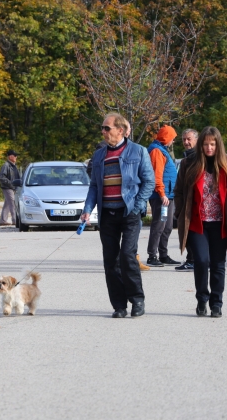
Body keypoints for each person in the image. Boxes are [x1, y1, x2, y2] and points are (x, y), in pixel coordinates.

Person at [81, 112, 155, 318]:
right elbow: (94, 186)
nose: (103, 131)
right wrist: (87, 209)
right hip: (107, 215)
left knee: (127, 256)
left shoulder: (138, 152)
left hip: (129, 213)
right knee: (110, 260)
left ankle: (137, 300)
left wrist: (138, 205)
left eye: (107, 128)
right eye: (103, 128)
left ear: (120, 130)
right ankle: (119, 305)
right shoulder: (98, 155)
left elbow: (149, 181)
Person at [174, 126, 227, 317]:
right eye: (205, 144)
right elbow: (179, 191)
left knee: (217, 263)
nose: (209, 148)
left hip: (221, 223)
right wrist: (180, 213)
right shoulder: (189, 163)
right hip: (197, 222)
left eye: (212, 144)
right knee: (201, 260)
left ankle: (216, 303)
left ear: (218, 145)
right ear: (200, 145)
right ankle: (202, 299)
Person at [146, 125, 181, 268]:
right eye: (172, 138)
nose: (173, 141)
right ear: (166, 138)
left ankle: (163, 254)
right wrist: (162, 194)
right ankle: (152, 255)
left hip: (168, 196)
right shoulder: (156, 151)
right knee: (159, 225)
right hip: (161, 197)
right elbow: (156, 175)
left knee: (167, 226)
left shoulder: (162, 150)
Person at [175, 129, 198, 271]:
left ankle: (195, 260)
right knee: (188, 232)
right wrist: (179, 208)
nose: (186, 142)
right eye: (184, 139)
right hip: (186, 203)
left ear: (196, 139)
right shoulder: (186, 160)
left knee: (194, 233)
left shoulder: (199, 158)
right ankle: (191, 259)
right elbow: (180, 186)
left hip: (197, 203)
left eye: (189, 139)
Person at [0, 150, 20, 226]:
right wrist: (11, 184)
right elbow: (1, 177)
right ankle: (15, 220)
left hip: (13, 187)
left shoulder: (14, 166)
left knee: (7, 204)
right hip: (7, 187)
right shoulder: (6, 165)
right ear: (10, 156)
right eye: (15, 155)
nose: (16, 157)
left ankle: (3, 221)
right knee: (12, 203)